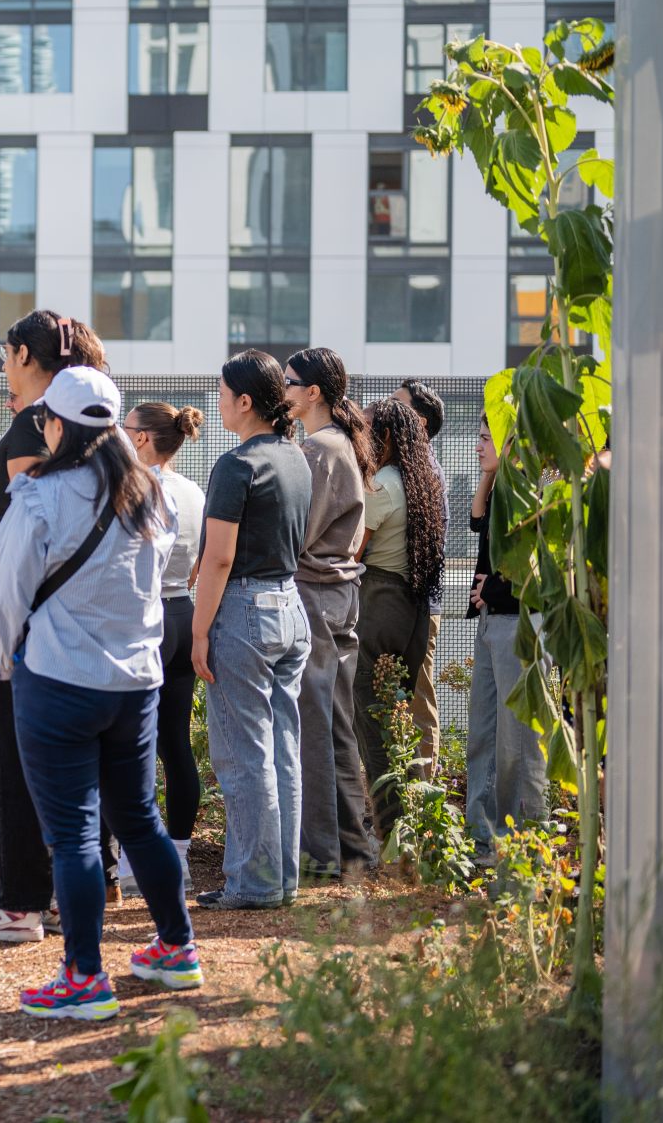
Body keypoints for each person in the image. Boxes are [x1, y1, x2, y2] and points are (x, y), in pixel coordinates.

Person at [0, 367, 199, 1021]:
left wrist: (0, 657)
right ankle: (176, 947)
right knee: (139, 819)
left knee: (73, 830)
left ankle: (83, 976)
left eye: (46, 417)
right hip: (136, 683)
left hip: (59, 679)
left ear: (59, 425)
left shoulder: (41, 496)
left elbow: (8, 589)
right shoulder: (150, 491)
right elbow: (158, 579)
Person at [0, 310, 109, 944]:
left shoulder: (37, 422)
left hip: (30, 616)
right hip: (84, 617)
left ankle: (21, 900)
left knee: (15, 760)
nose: (2, 366)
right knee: (86, 758)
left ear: (24, 353)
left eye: (4, 353)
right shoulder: (93, 428)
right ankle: (81, 878)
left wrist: (3, 626)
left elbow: (32, 528)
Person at [193, 350, 312, 911]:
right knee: (283, 749)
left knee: (244, 754)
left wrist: (198, 631)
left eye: (221, 394)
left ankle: (253, 883)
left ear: (244, 401)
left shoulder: (236, 464)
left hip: (243, 611)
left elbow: (218, 559)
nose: (217, 403)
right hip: (290, 605)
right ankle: (280, 878)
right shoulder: (295, 457)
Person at [282, 348, 381, 880]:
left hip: (317, 595)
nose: (285, 391)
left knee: (318, 726)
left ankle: (325, 854)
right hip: (334, 596)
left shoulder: (320, 449)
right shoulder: (334, 443)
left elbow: (299, 534)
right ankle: (350, 849)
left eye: (291, 382)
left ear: (314, 392)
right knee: (334, 724)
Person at [114, 401, 208, 899]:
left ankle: (131, 863)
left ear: (144, 438)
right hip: (184, 613)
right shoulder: (194, 491)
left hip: (146, 617)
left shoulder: (136, 486)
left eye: (125, 429)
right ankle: (180, 857)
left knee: (132, 744)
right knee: (176, 741)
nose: (120, 437)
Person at [353, 398, 449, 835]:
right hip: (411, 604)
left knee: (370, 718)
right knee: (399, 714)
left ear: (387, 436)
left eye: (371, 430)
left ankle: (389, 828)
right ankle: (412, 818)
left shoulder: (385, 484)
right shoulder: (422, 478)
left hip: (378, 600)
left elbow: (354, 548)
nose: (365, 436)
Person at [465, 417, 547, 848]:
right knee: (484, 734)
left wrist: (490, 587)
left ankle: (522, 838)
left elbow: (536, 570)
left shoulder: (529, 491)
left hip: (518, 624)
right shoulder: (501, 489)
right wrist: (487, 476)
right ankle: (482, 837)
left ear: (511, 441)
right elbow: (477, 522)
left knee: (516, 741)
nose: (479, 447)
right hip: (493, 621)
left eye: (485, 439)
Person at [393, 380, 450, 776]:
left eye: (398, 406)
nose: (387, 413)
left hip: (419, 603)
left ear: (420, 420)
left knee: (419, 695)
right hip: (405, 602)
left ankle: (424, 785)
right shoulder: (405, 468)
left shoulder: (425, 471)